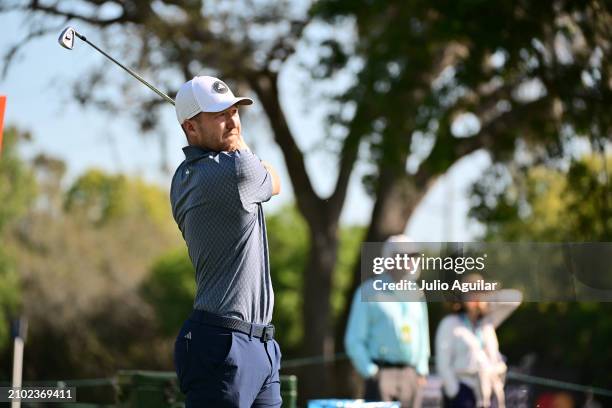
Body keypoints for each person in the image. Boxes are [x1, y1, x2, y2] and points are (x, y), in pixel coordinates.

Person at [170, 75, 282, 407]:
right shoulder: (233, 172)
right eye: (219, 114)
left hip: (260, 344)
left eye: (234, 111)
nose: (233, 121)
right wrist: (239, 145)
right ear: (191, 128)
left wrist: (223, 132)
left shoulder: (182, 176)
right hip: (223, 344)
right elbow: (274, 180)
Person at [344, 235, 430, 408]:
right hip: (381, 374)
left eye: (413, 256)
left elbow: (422, 333)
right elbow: (354, 339)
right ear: (390, 259)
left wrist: (421, 369)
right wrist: (371, 371)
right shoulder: (368, 291)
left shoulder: (416, 293)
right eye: (404, 256)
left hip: (411, 375)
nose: (410, 261)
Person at [435, 273, 523, 408]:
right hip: (464, 390)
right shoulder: (450, 323)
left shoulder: (486, 322)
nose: (475, 296)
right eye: (470, 293)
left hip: (489, 389)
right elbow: (443, 364)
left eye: (478, 292)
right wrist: (455, 393)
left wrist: (487, 297)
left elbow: (516, 298)